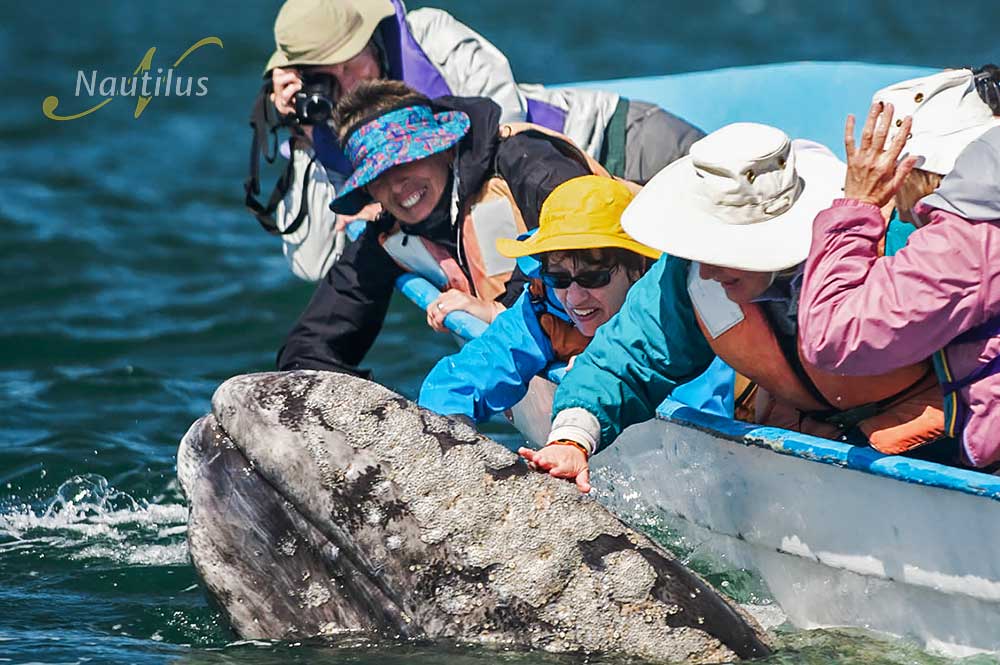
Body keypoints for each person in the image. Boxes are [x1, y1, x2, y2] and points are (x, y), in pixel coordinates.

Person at [519, 123, 946, 493]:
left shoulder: (892, 246)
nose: (707, 269)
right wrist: (571, 440)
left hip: (937, 437)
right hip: (811, 434)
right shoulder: (687, 276)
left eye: (725, 249)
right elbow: (624, 358)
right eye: (702, 245)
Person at [257, 0, 704, 281]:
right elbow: (311, 264)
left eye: (351, 62)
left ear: (370, 38)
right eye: (325, 76)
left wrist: (398, 200)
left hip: (617, 141)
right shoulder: (321, 124)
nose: (349, 83)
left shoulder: (430, 36)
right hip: (557, 222)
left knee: (738, 226)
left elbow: (503, 136)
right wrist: (305, 135)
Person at [277, 79, 602, 375]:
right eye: (377, 176)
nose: (397, 185)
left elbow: (595, 249)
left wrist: (495, 311)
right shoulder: (390, 234)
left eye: (408, 160)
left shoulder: (527, 164)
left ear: (443, 147)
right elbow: (311, 346)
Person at [799, 67, 1000, 469]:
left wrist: (859, 204)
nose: (904, 217)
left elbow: (833, 337)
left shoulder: (968, 239)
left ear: (914, 168)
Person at [418, 175, 733, 424]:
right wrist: (449, 432)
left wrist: (599, 383)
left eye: (594, 277)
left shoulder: (680, 309)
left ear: (638, 267)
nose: (574, 296)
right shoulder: (543, 309)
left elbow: (702, 421)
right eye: (559, 278)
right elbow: (459, 380)